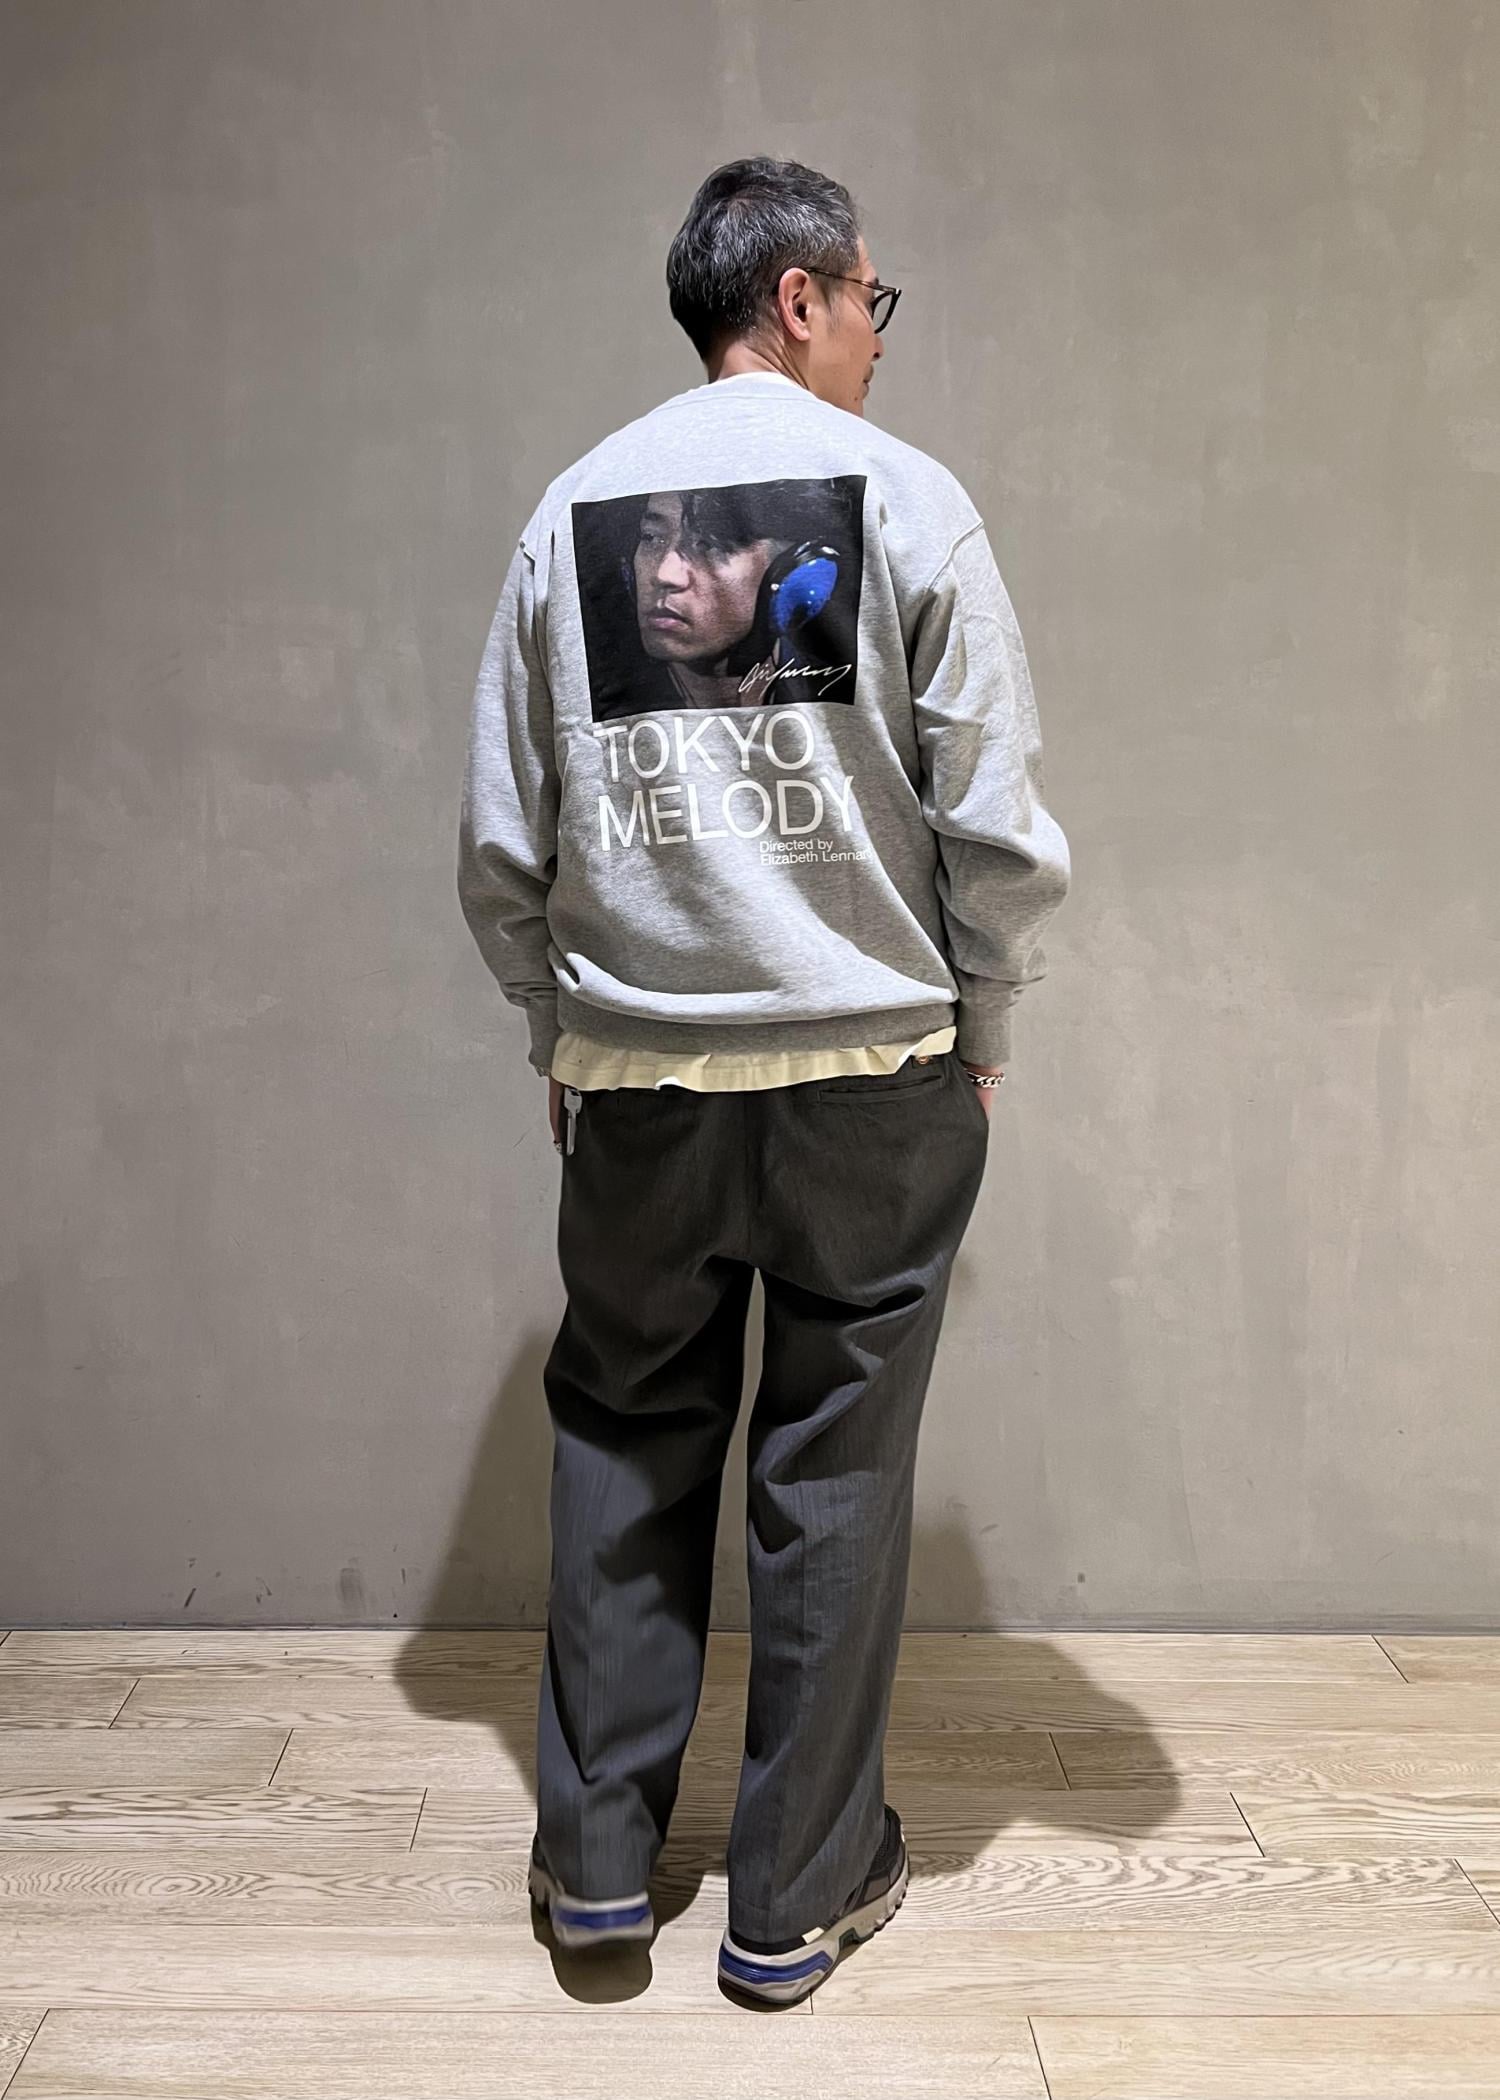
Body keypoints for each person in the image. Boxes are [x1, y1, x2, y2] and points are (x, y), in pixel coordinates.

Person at [457, 154, 1071, 2008]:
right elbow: (998, 834)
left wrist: (557, 1027)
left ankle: (594, 1873)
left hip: (640, 1078)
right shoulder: (915, 503)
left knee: (623, 1436)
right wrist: (984, 1026)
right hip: (870, 1072)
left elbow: (503, 844)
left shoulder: (573, 511)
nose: (878, 336)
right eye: (871, 301)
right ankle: (792, 1901)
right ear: (796, 301)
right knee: (836, 1468)